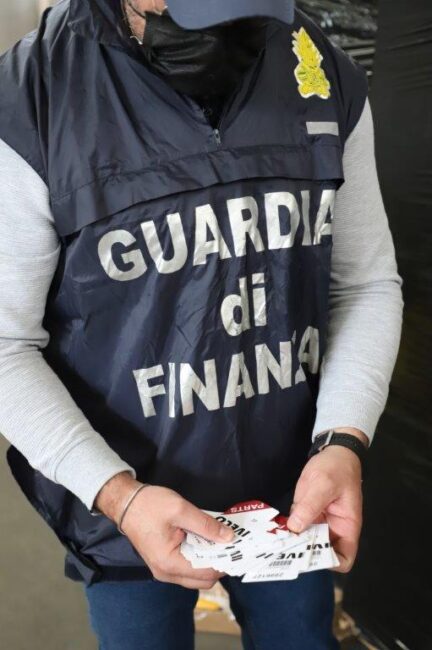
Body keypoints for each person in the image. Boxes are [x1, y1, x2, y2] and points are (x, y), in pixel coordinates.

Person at [0, 0, 404, 648]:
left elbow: (364, 283)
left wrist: (343, 439)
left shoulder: (318, 71)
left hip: (293, 488)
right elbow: (5, 345)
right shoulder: (31, 102)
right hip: (124, 494)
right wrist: (118, 495)